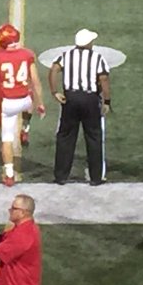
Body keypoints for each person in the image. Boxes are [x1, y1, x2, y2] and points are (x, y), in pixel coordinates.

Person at [49, 28, 111, 185]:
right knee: (94, 137)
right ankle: (96, 177)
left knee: (65, 137)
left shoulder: (66, 55)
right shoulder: (97, 57)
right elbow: (103, 79)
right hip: (90, 98)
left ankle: (61, 176)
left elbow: (54, 69)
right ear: (88, 42)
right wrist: (107, 101)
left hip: (71, 98)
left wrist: (54, 91)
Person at [0, 23, 46, 186]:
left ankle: (9, 173)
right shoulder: (27, 54)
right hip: (24, 100)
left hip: (7, 103)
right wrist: (40, 103)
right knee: (29, 96)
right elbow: (35, 81)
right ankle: (26, 127)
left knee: (6, 139)